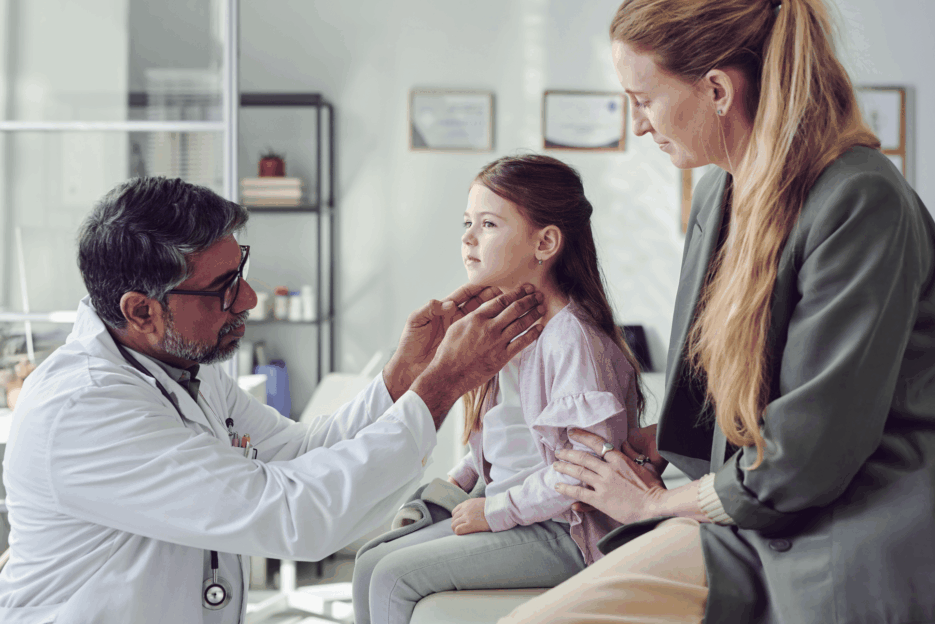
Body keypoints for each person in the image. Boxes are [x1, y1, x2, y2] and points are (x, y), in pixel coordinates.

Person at [501, 0, 935, 624]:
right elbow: (724, 406)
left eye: (644, 99)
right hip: (759, 518)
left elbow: (809, 451)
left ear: (716, 88)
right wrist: (640, 443)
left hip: (871, 529)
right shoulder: (718, 194)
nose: (640, 125)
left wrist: (653, 505)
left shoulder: (860, 199)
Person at [0, 176, 546, 624]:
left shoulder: (180, 365)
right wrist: (444, 384)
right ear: (142, 311)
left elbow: (299, 453)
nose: (249, 297)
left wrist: (405, 375)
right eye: (222, 287)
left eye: (240, 268)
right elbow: (296, 515)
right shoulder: (85, 411)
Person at [352, 155, 648, 624]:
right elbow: (511, 435)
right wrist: (463, 479)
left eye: (488, 224)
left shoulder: (573, 339)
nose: (468, 238)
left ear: (545, 242)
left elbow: (586, 472)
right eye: (467, 223)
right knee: (369, 562)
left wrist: (495, 511)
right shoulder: (508, 330)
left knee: (392, 576)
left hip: (565, 529)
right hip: (517, 514)